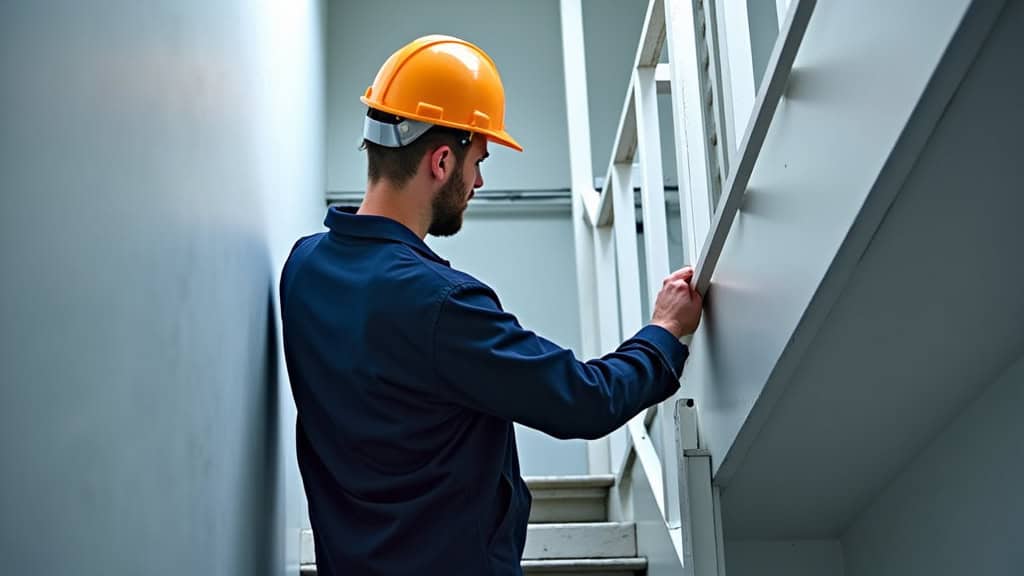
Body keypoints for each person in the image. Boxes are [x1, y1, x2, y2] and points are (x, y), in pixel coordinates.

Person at [280, 34, 703, 576]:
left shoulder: (303, 270)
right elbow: (585, 399)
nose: (479, 179)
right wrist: (664, 330)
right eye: (478, 158)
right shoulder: (441, 305)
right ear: (439, 161)